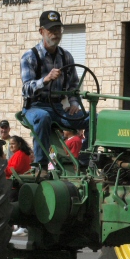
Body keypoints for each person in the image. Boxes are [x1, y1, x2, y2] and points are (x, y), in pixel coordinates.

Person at [21, 10, 87, 171]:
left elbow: (73, 85)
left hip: (58, 109)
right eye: (51, 30)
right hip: (34, 107)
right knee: (43, 117)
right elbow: (26, 88)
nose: (55, 33)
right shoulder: (30, 57)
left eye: (58, 29)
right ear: (41, 31)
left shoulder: (66, 57)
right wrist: (45, 80)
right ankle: (41, 166)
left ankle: (86, 162)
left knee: (93, 119)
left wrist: (73, 103)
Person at [6, 135, 32, 237]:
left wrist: (2, 170)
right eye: (10, 144)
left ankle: (22, 226)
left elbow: (13, 169)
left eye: (13, 144)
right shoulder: (18, 154)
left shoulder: (20, 154)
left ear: (19, 144)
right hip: (15, 184)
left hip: (15, 185)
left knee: (13, 205)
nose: (11, 146)